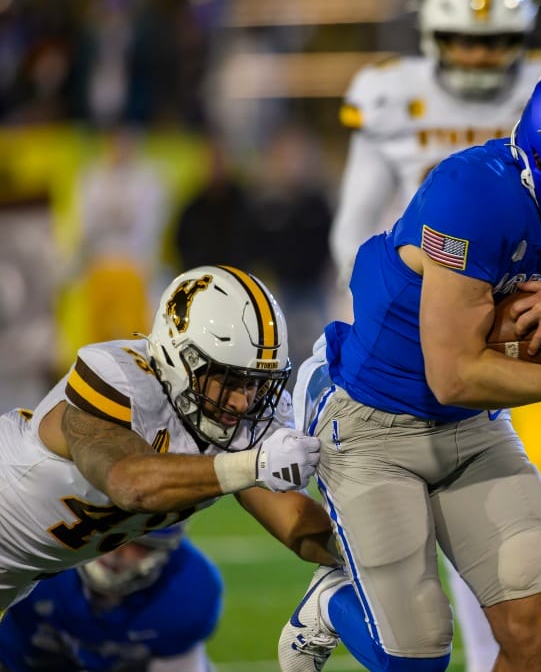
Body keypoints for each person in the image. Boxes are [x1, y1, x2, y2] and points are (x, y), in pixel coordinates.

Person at [278, 59, 541, 672]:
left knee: (533, 627)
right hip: (375, 424)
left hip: (471, 427)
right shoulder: (471, 193)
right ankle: (332, 602)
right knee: (415, 658)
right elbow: (454, 372)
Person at [0, 264, 338, 613]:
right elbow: (130, 482)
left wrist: (372, 557)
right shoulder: (120, 378)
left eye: (254, 383)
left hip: (18, 575)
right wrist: (256, 463)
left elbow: (296, 521)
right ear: (181, 357)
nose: (242, 401)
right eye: (229, 380)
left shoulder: (236, 418)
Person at [0, 524, 221, 671]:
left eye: (137, 542)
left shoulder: (187, 591)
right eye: (113, 534)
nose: (118, 548)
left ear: (162, 550)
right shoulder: (38, 552)